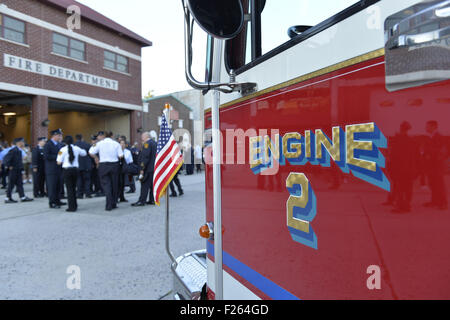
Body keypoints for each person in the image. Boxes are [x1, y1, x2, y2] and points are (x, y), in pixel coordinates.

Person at [89, 131, 123, 211]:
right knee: (114, 184)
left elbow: (90, 152)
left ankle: (108, 205)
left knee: (106, 184)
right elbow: (121, 156)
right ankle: (114, 203)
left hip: (103, 165)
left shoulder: (99, 143)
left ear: (104, 136)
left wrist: (96, 158)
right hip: (114, 165)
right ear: (111, 136)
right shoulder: (116, 144)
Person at [57, 136, 87, 212]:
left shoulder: (62, 150)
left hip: (67, 170)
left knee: (69, 189)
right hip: (75, 170)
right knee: (73, 188)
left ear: (65, 142)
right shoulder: (76, 148)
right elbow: (84, 153)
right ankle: (75, 204)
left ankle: (71, 207)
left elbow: (59, 162)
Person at [423, 120, 448, 210]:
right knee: (433, 183)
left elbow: (442, 151)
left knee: (439, 184)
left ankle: (443, 203)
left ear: (433, 127)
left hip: (437, 165)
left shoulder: (439, 137)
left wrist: (429, 152)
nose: (426, 128)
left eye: (427, 126)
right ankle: (435, 201)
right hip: (431, 165)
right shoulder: (430, 137)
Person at [3, 138, 33, 204]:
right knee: (11, 184)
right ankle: (7, 198)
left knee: (20, 184)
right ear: (18, 143)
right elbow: (6, 159)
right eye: (22, 142)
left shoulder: (19, 150)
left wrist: (21, 169)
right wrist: (9, 166)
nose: (23, 143)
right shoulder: (13, 150)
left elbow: (19, 161)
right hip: (13, 170)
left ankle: (22, 197)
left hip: (18, 170)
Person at [132, 132, 157, 207]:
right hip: (153, 168)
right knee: (152, 185)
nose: (141, 138)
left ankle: (141, 201)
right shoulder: (155, 143)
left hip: (147, 169)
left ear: (146, 136)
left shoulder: (147, 144)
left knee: (144, 185)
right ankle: (152, 200)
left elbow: (145, 156)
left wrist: (142, 168)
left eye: (142, 136)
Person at [44, 129, 66, 209]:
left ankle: (57, 200)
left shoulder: (60, 144)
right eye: (59, 135)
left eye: (61, 135)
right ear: (54, 136)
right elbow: (46, 156)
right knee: (52, 186)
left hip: (59, 168)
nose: (61, 137)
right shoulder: (48, 145)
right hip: (51, 169)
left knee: (59, 185)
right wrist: (58, 157)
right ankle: (52, 202)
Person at [75, 134, 93, 199]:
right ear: (82, 138)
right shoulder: (87, 145)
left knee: (79, 180)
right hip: (87, 165)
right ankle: (88, 193)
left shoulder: (74, 145)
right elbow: (91, 154)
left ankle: (79, 194)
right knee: (87, 180)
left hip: (78, 165)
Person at [118, 139, 134, 203]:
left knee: (122, 184)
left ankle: (122, 197)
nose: (122, 145)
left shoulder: (127, 151)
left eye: (123, 143)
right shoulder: (116, 151)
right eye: (121, 143)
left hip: (124, 169)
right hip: (117, 169)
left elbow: (130, 161)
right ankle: (116, 197)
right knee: (117, 184)